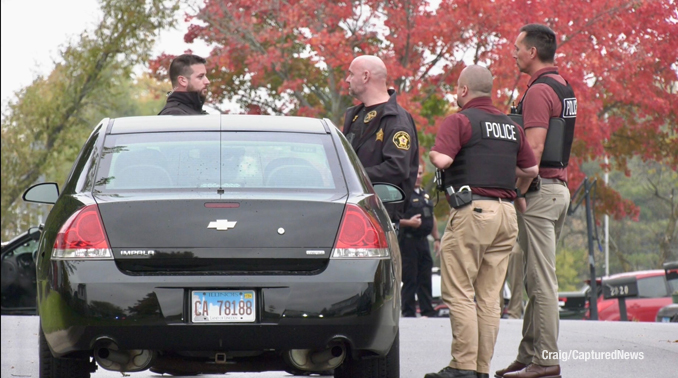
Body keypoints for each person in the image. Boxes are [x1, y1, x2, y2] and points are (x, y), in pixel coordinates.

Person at [425, 65, 538, 378]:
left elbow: (444, 160)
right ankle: (480, 369)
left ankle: (462, 367)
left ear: (463, 90)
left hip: (473, 212)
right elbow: (530, 170)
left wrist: (434, 155)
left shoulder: (459, 120)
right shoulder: (510, 127)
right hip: (506, 214)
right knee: (489, 297)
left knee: (459, 291)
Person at [496, 24, 576, 378]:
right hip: (557, 189)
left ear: (532, 52)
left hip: (539, 193)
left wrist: (513, 189)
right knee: (532, 276)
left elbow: (536, 149)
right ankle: (529, 354)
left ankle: (546, 359)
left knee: (541, 279)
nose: (513, 52)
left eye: (517, 47)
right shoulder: (562, 86)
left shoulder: (540, 92)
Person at [343, 55, 420, 284]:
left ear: (365, 76)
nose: (347, 80)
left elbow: (396, 168)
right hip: (353, 218)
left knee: (376, 287)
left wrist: (352, 177)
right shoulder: (355, 116)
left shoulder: (396, 120)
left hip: (379, 220)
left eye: (350, 73)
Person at [399, 164, 441, 318]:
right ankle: (408, 312)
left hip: (424, 241)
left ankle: (427, 310)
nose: (418, 176)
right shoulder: (404, 194)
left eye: (420, 173)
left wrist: (437, 238)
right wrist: (409, 223)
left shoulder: (425, 195)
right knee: (410, 277)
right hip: (408, 241)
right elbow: (394, 219)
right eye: (415, 173)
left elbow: (432, 217)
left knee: (425, 275)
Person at [503, 243, 525, 319]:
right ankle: (493, 310)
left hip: (518, 239)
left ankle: (514, 312)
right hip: (501, 237)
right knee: (495, 282)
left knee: (517, 282)